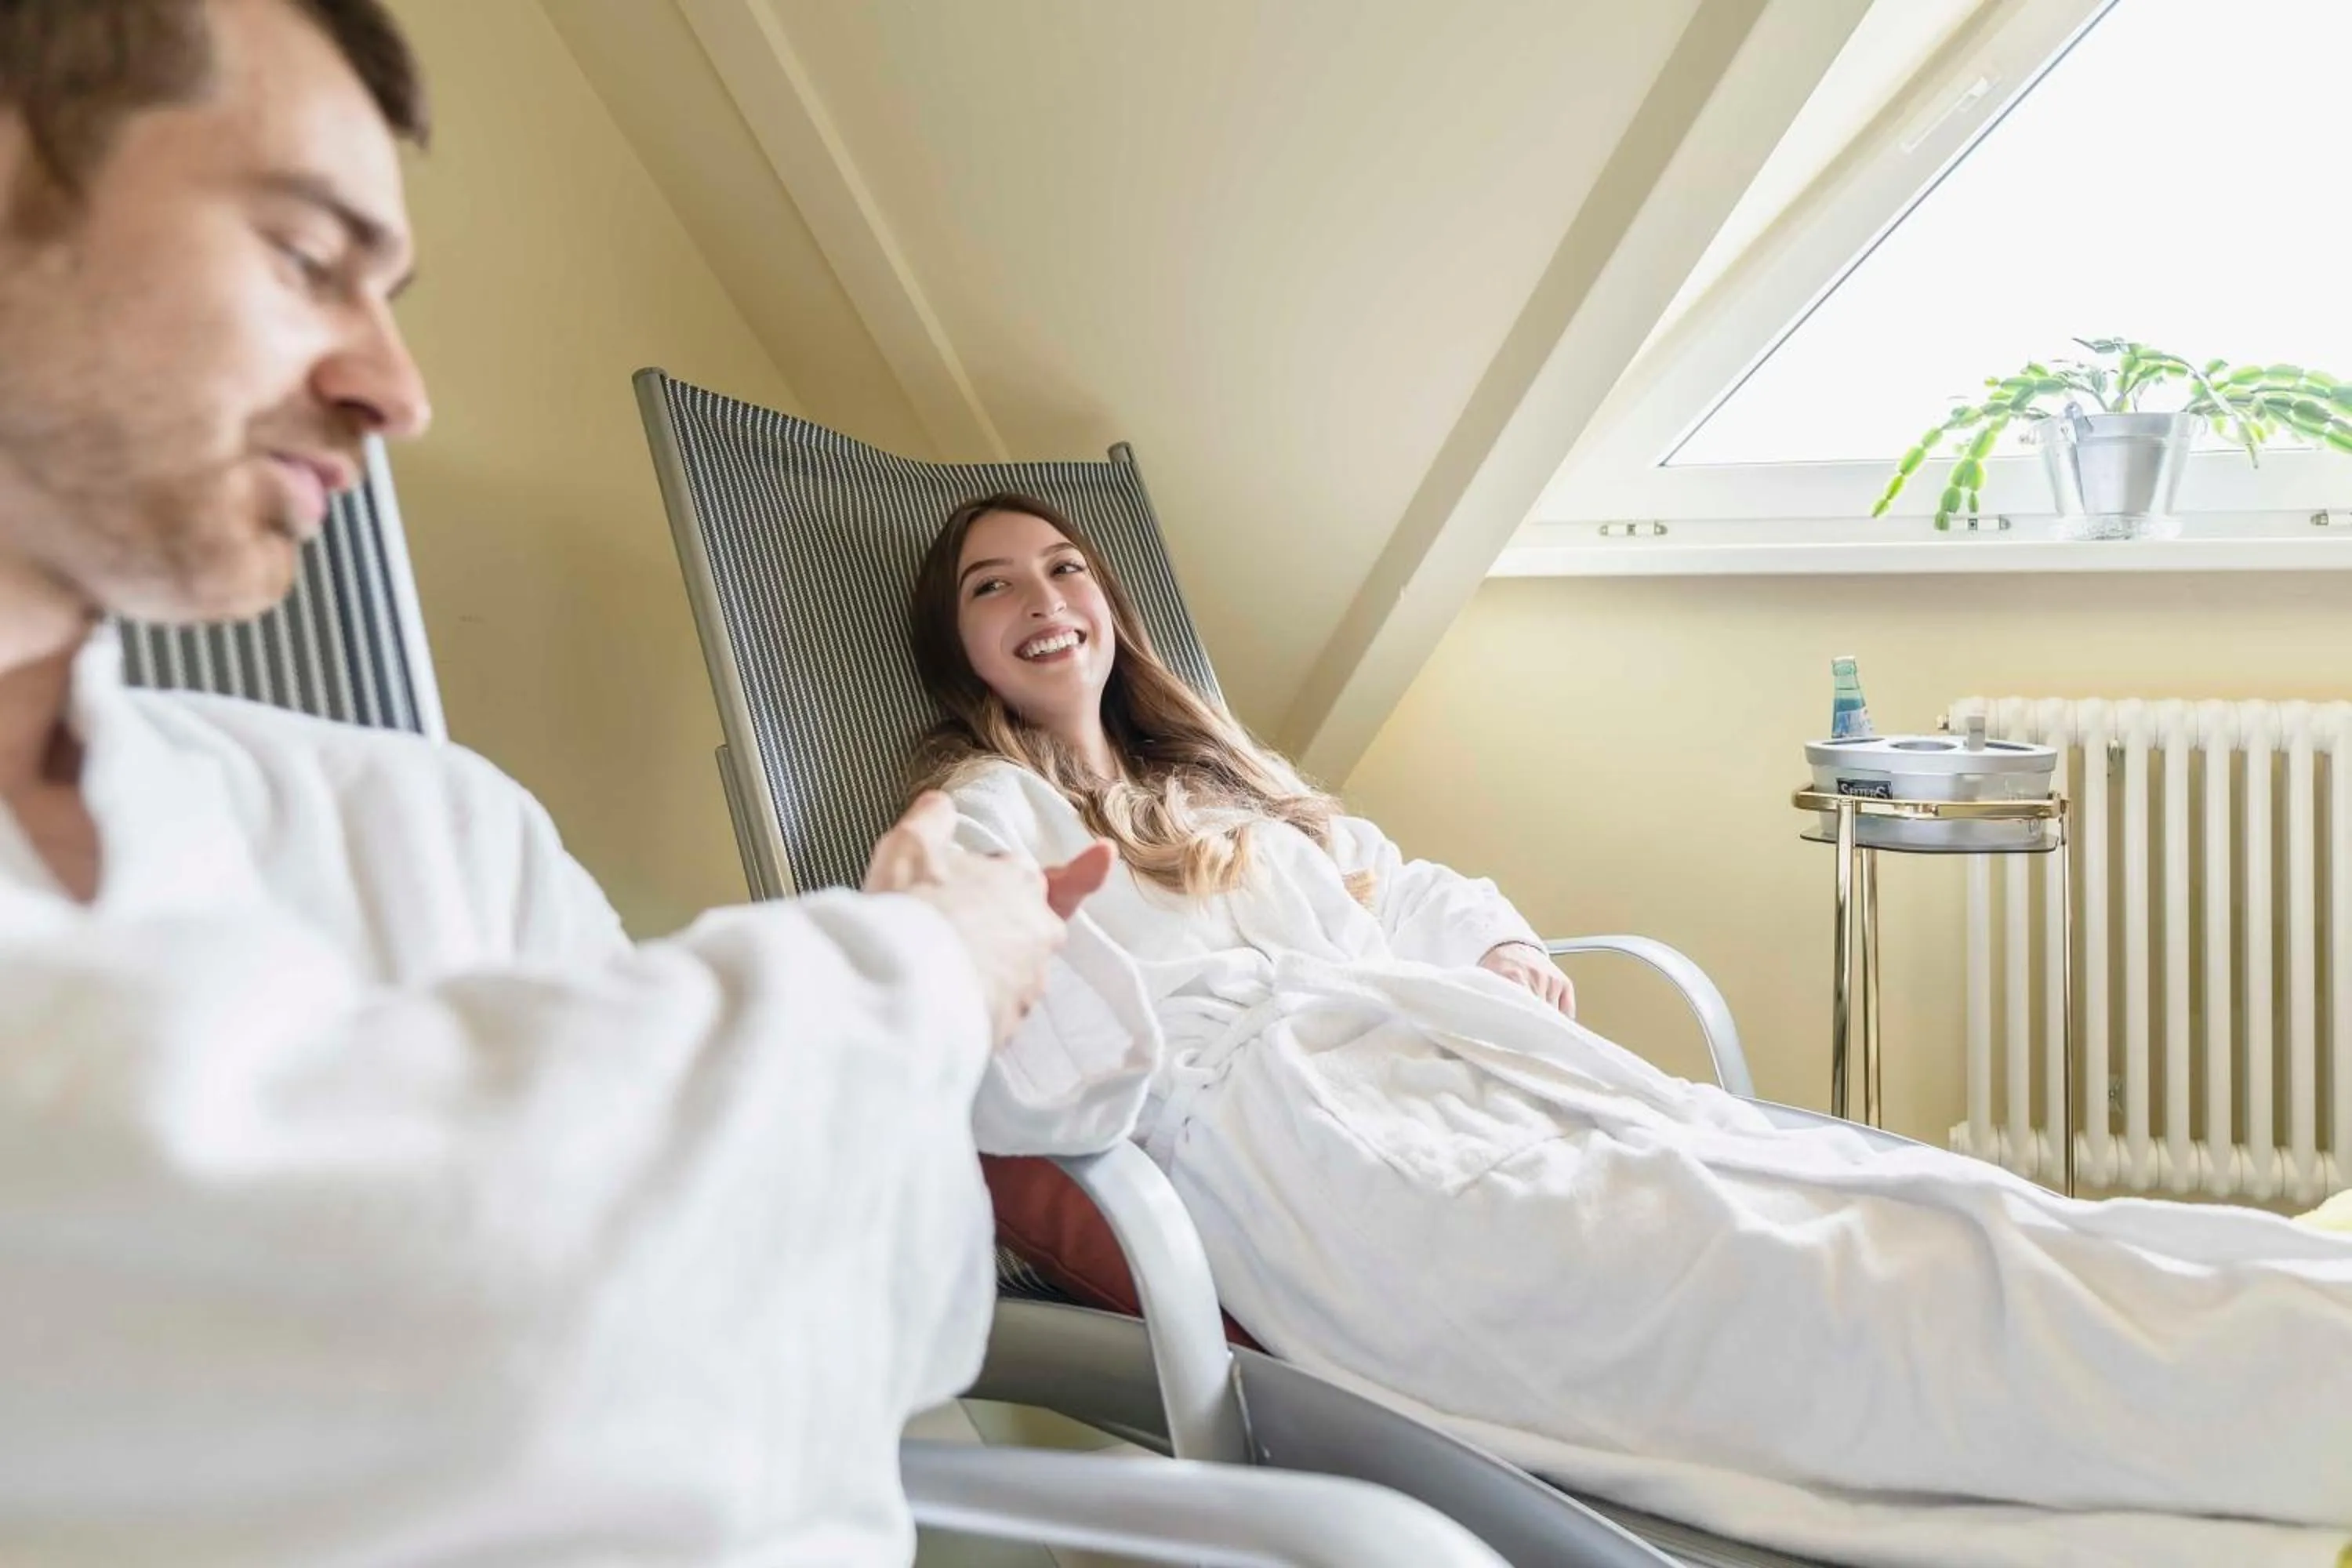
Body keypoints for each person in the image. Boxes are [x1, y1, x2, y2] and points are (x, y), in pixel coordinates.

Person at [0, 3, 1110, 1563]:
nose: (399, 387)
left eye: (393, 295)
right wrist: (923, 963)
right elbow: (408, 1304)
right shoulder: (961, 816)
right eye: (309, 257)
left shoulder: (428, 821)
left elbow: (859, 1319)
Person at [906, 491, 2352, 1568]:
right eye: (994, 586)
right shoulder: (986, 809)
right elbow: (972, 999)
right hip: (1312, 1160)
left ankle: (2280, 1347)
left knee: (1889, 1201)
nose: (1045, 596)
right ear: (961, 648)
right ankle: (2280, 1394)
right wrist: (925, 836)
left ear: (1112, 608)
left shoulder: (1220, 778)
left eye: (1066, 566)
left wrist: (1502, 943)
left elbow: (1400, 884)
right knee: (1781, 1266)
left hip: (1444, 1070)